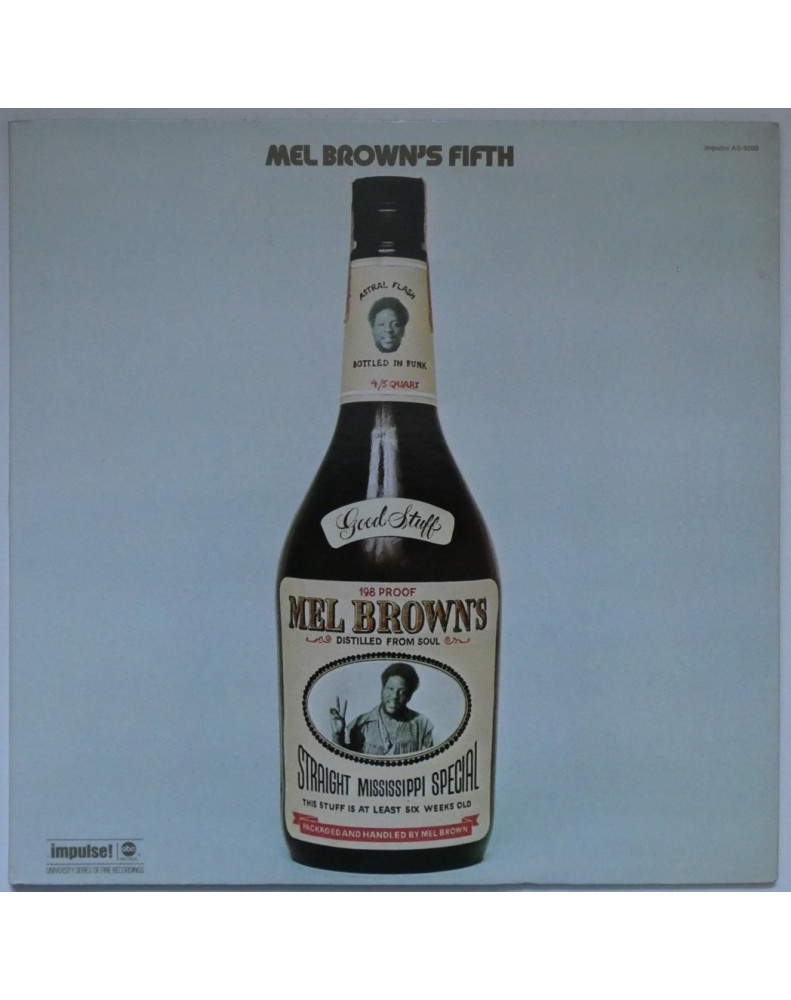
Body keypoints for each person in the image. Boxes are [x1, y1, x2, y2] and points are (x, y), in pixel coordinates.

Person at [330, 662, 434, 756]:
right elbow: (345, 762)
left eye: (402, 692)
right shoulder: (360, 724)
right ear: (382, 690)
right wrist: (338, 735)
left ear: (409, 697)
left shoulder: (422, 725)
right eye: (390, 689)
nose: (394, 696)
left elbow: (427, 764)